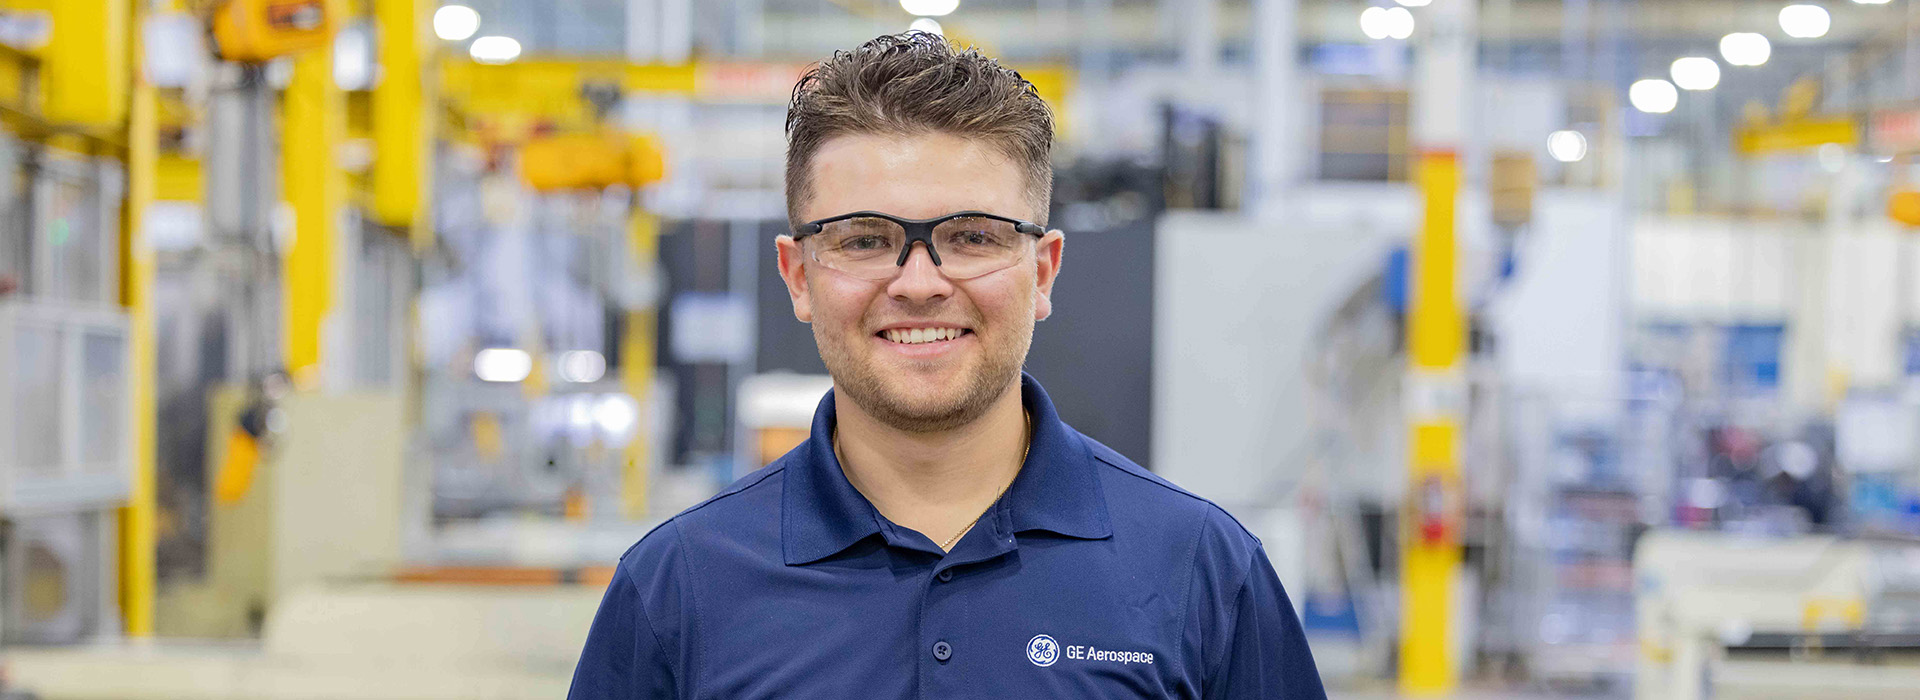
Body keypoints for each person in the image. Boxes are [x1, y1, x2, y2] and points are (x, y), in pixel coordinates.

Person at [568, 32, 1324, 699]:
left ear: (1044, 272)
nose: (921, 282)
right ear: (799, 276)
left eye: (972, 236)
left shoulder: (1201, 572)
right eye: (864, 239)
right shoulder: (679, 586)